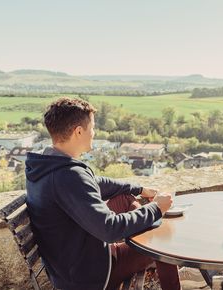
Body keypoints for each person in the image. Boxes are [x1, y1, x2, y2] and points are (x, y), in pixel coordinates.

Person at [25, 97, 181, 290]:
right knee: (162, 243)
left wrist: (139, 190)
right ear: (79, 131)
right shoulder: (67, 176)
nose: (94, 133)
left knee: (124, 198)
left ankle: (149, 232)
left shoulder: (49, 164)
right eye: (92, 128)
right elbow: (109, 229)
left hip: (74, 263)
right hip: (89, 276)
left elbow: (96, 183)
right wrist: (156, 209)